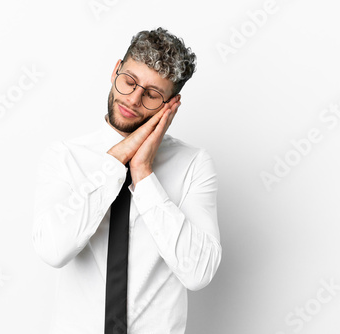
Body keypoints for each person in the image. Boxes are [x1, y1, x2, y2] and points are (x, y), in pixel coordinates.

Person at [32, 27, 222, 333]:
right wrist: (115, 162)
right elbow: (54, 250)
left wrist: (143, 172)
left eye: (152, 94)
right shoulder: (65, 157)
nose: (133, 99)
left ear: (170, 104)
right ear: (115, 71)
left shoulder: (193, 164)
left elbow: (198, 273)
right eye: (129, 82)